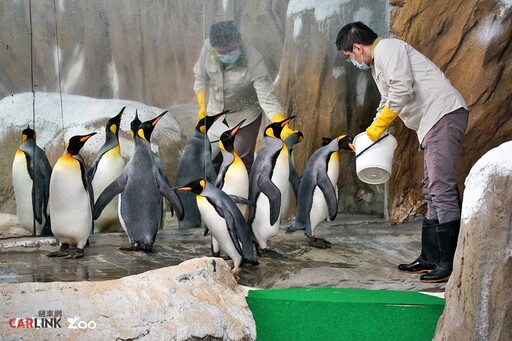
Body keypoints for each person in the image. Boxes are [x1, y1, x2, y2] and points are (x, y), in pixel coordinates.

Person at [336, 22, 469, 283]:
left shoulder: (388, 48)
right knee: (431, 188)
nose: (353, 61)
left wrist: (375, 131)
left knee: (440, 187)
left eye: (349, 56)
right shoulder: (379, 62)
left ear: (356, 47)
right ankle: (430, 257)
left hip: (443, 115)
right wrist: (372, 132)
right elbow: (387, 100)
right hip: (431, 122)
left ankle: (448, 263)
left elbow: (401, 90)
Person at [193, 20, 293, 174]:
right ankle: (214, 193)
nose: (226, 54)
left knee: (239, 163)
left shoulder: (254, 60)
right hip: (215, 113)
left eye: (230, 50)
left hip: (245, 116)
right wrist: (202, 106)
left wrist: (280, 122)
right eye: (221, 52)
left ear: (238, 41)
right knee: (209, 158)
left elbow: (267, 98)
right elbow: (200, 78)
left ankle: (240, 196)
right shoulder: (208, 48)